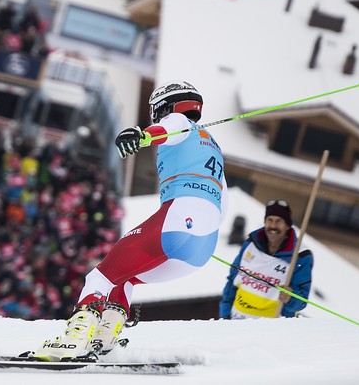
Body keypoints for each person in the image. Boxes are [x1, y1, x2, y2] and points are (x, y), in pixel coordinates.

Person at [34, 81, 227, 361]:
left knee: (100, 276)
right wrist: (198, 227)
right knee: (124, 279)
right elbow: (222, 208)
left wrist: (141, 136)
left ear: (163, 105)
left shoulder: (176, 121)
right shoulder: (213, 145)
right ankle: (103, 338)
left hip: (178, 219)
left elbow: (167, 129)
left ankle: (72, 340)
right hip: (203, 245)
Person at [219, 200, 313, 319]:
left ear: (287, 226)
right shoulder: (250, 244)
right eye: (270, 220)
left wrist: (291, 298)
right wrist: (224, 316)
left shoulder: (300, 256)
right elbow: (232, 281)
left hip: (270, 328)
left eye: (278, 221)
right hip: (236, 319)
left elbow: (302, 301)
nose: (273, 226)